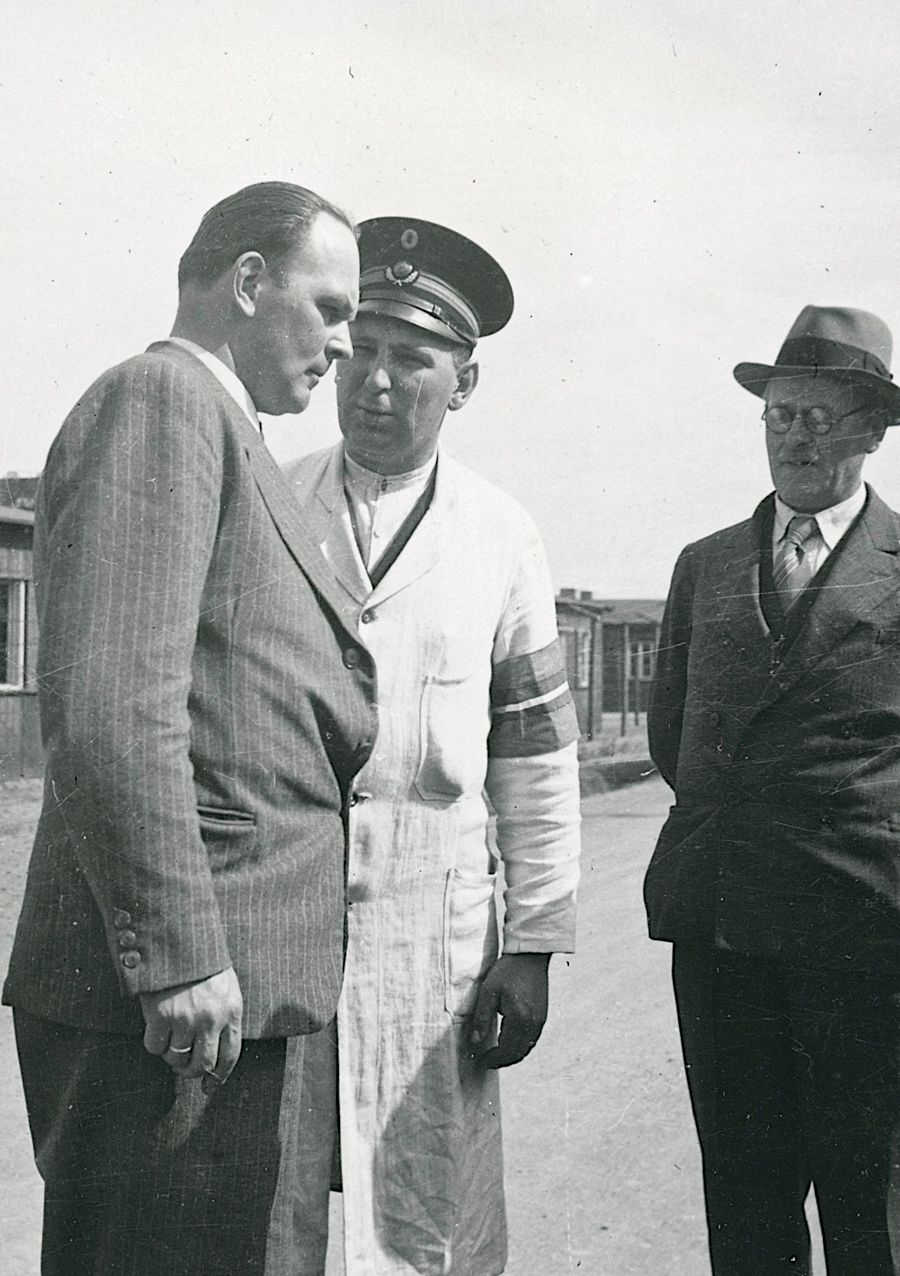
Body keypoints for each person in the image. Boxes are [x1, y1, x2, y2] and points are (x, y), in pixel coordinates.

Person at [2, 181, 377, 1275]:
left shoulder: (228, 430)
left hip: (229, 990)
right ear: (248, 282)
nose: (344, 345)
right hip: (176, 1004)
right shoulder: (163, 403)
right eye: (331, 306)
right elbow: (113, 708)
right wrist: (176, 955)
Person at [281, 217, 582, 1275]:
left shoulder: (502, 535)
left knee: (428, 1218)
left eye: (412, 359)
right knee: (274, 1211)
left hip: (434, 934)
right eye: (358, 347)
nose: (374, 380)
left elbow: (538, 759)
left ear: (464, 382)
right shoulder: (272, 502)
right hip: (287, 920)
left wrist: (535, 943)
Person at [644, 305, 900, 1275]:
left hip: (865, 943)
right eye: (781, 414)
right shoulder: (705, 566)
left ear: (873, 429)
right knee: (746, 1198)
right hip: (722, 933)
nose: (796, 436)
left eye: (822, 417)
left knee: (868, 1200)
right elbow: (676, 735)